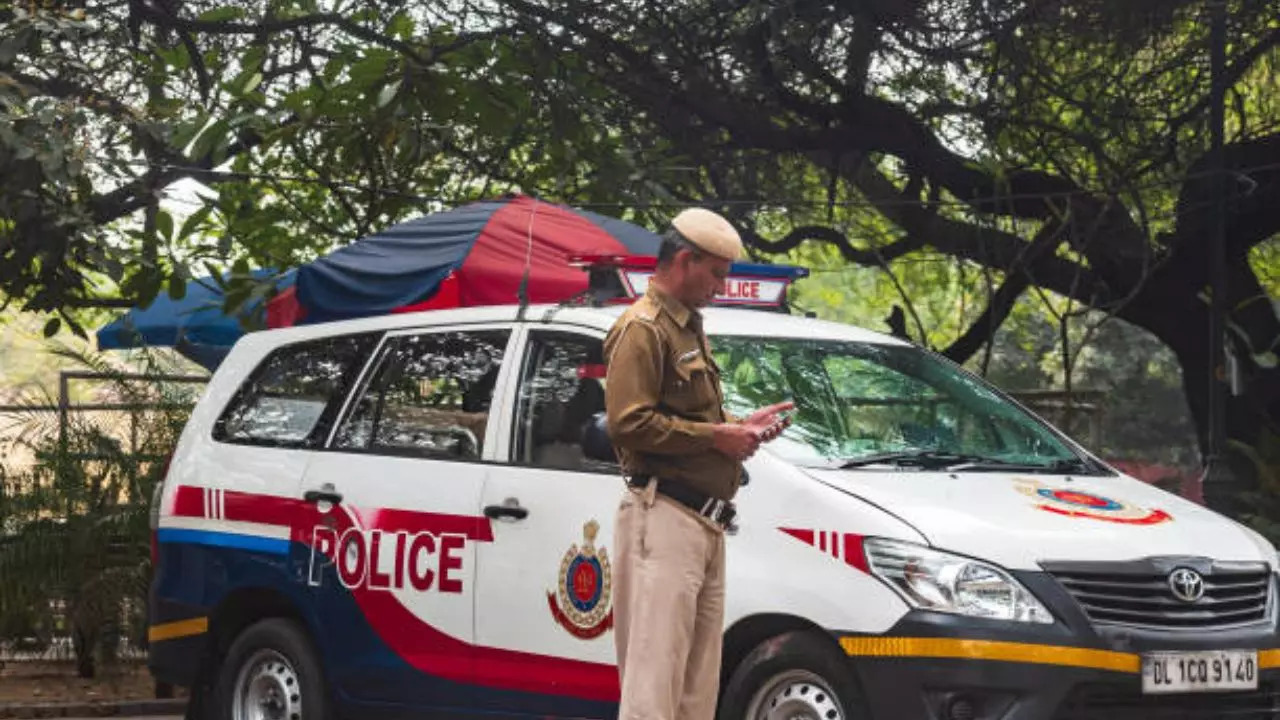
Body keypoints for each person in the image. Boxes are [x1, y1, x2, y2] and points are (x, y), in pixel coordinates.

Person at [603, 207, 794, 720]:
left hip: (703, 521)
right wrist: (718, 436)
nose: (719, 285)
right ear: (685, 261)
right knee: (653, 686)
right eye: (715, 273)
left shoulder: (687, 327)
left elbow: (688, 415)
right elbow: (629, 422)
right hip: (662, 513)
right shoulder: (642, 328)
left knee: (695, 690)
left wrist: (740, 426)